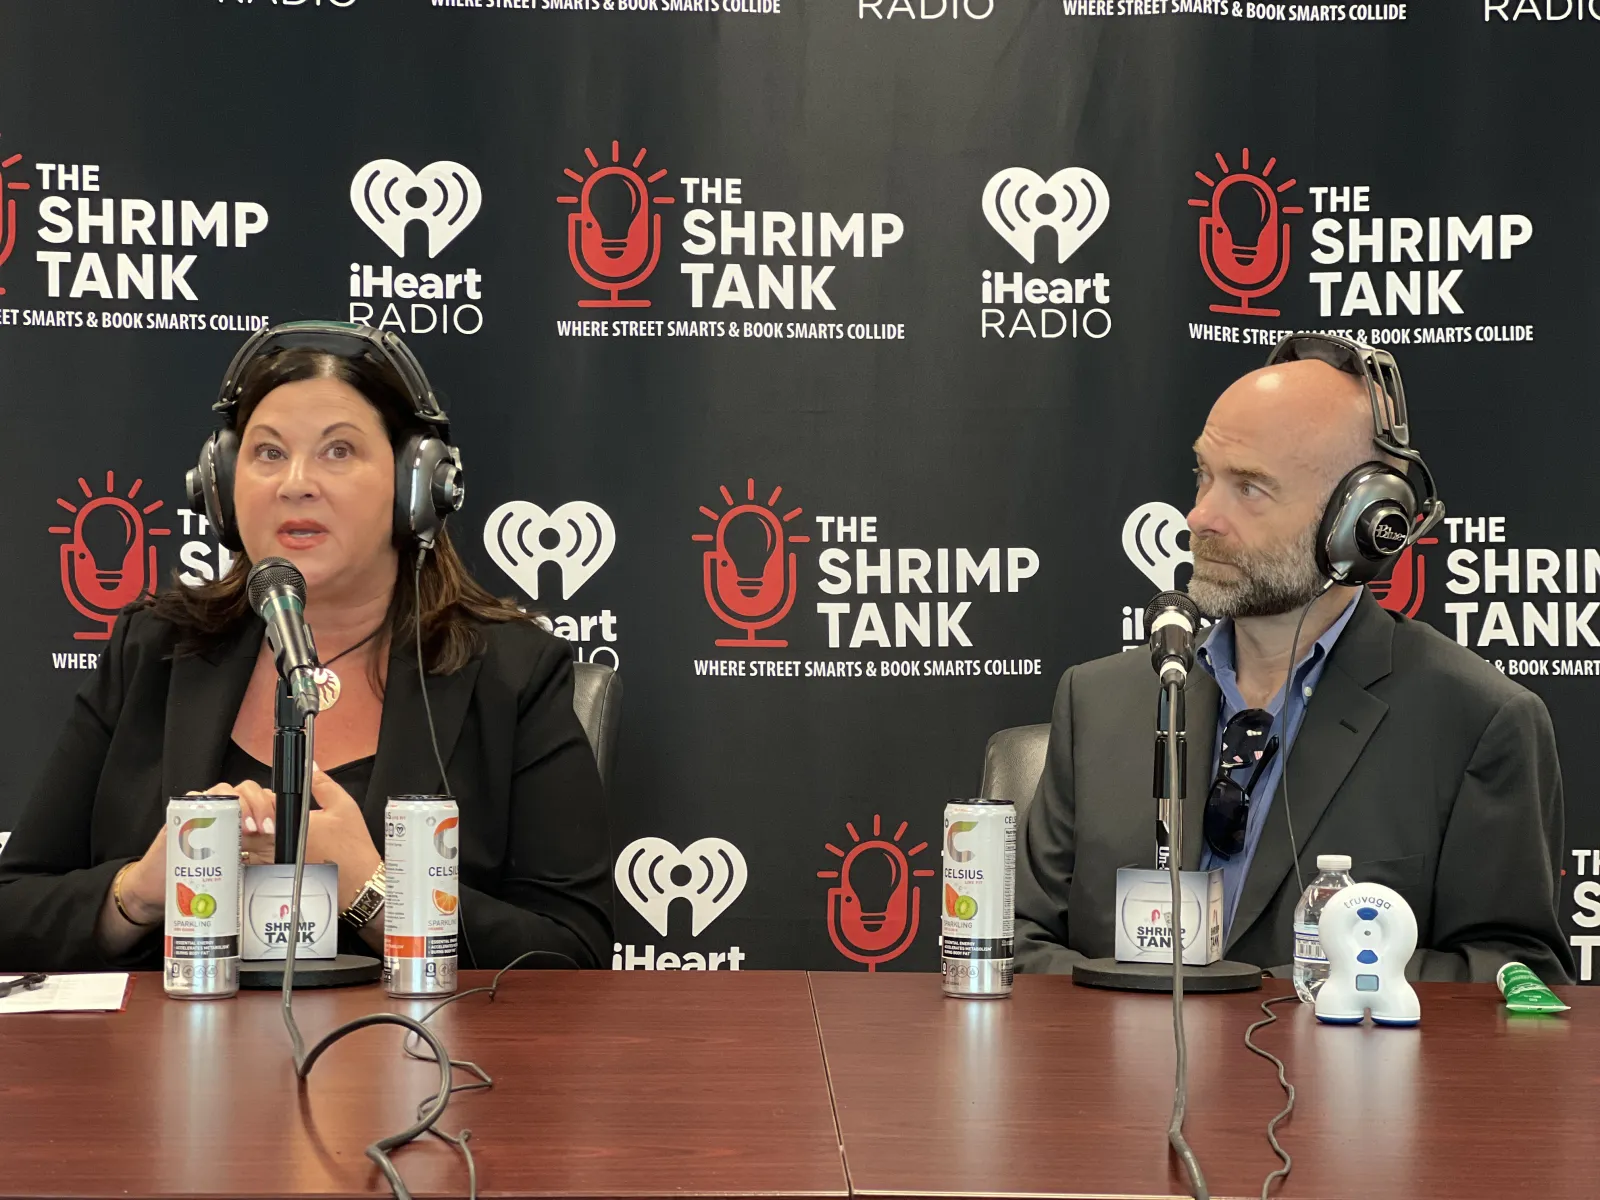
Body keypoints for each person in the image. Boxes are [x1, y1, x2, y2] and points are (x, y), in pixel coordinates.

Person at [0, 323, 614, 972]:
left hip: (414, 1067)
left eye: (339, 451)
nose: (296, 482)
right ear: (224, 487)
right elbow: (12, 906)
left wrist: (375, 892)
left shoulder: (511, 674)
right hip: (175, 1063)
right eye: (267, 454)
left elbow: (571, 954)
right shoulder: (153, 651)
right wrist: (141, 893)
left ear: (419, 489)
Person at [1015, 335, 1573, 983]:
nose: (1201, 515)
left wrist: (1268, 1005)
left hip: (1345, 1086)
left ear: (1359, 521)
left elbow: (1510, 972)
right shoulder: (1099, 702)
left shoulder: (1476, 723)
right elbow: (1023, 943)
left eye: (1249, 487)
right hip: (1119, 1083)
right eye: (1203, 475)